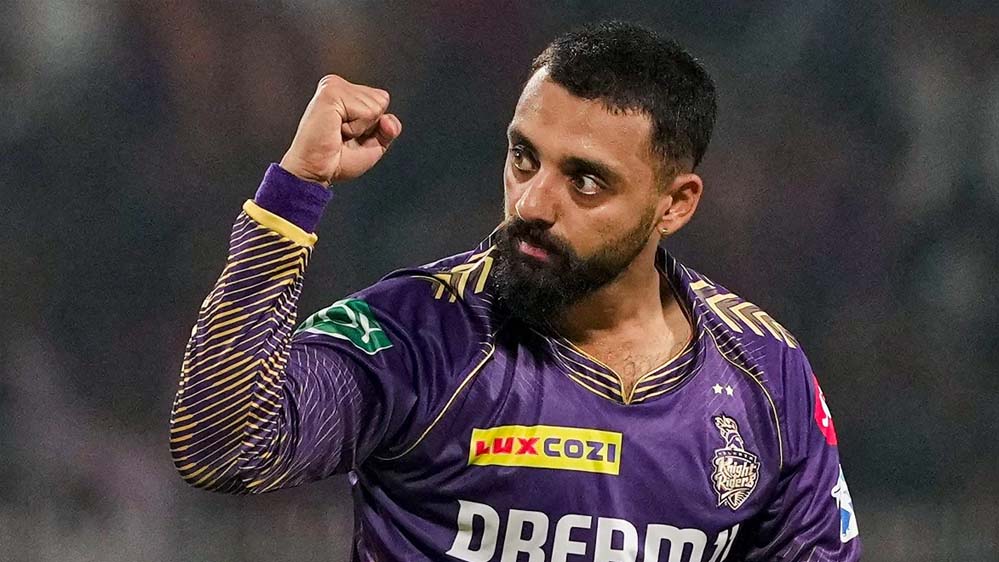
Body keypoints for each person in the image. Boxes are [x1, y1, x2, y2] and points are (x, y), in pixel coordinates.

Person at [169, 20, 861, 561]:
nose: (531, 202)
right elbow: (223, 443)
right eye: (523, 157)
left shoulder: (765, 373)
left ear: (674, 204)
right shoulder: (423, 333)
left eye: (584, 180)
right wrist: (295, 192)